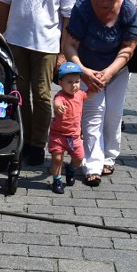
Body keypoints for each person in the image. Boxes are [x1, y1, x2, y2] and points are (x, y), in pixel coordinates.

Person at [0, 0, 78, 167]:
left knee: (43, 96)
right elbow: (5, 0)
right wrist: (2, 33)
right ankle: (23, 140)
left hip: (47, 45)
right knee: (19, 95)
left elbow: (67, 17)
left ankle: (38, 143)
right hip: (16, 40)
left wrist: (63, 52)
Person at [62, 0, 137, 186]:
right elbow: (69, 44)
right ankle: (92, 164)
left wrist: (110, 72)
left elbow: (129, 47)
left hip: (117, 68)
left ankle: (110, 156)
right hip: (87, 67)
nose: (106, 2)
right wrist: (84, 72)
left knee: (113, 113)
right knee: (93, 113)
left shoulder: (127, 9)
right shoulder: (83, 6)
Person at [48, 62, 87, 194]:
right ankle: (57, 180)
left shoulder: (80, 94)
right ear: (60, 82)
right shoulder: (60, 96)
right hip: (58, 135)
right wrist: (58, 107)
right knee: (57, 158)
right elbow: (56, 103)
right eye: (69, 82)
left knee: (79, 158)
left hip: (74, 136)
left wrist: (98, 86)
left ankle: (70, 170)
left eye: (77, 81)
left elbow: (90, 94)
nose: (74, 85)